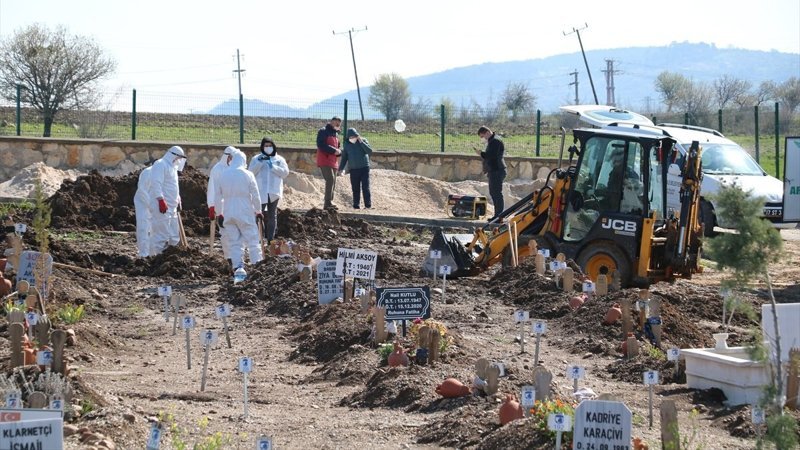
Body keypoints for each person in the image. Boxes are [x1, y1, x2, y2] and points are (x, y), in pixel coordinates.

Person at [215, 150, 263, 270]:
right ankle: (256, 266)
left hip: (228, 212)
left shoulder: (223, 175)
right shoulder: (247, 174)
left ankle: (237, 268)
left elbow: (218, 196)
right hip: (245, 211)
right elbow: (256, 195)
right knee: (252, 241)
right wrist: (258, 211)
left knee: (234, 243)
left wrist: (219, 213)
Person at [249, 137, 290, 243]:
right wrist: (260, 163)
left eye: (270, 145)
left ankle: (270, 239)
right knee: (258, 214)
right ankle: (258, 238)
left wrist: (273, 167)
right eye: (266, 146)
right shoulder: (256, 158)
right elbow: (250, 173)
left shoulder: (279, 159)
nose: (268, 148)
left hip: (273, 191)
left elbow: (285, 173)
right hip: (260, 191)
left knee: (272, 215)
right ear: (262, 147)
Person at [149, 145, 186, 255]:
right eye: (179, 158)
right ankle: (155, 257)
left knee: (174, 236)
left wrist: (178, 199)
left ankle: (171, 258)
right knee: (161, 235)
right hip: (162, 206)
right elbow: (156, 183)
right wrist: (160, 199)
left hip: (172, 206)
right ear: (173, 156)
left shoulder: (173, 168)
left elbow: (173, 185)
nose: (179, 161)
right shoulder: (161, 165)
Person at [207, 146, 237, 263]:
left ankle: (237, 256)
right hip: (222, 207)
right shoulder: (217, 169)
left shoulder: (237, 169)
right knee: (225, 233)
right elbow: (212, 189)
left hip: (235, 205)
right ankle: (229, 257)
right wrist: (212, 206)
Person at [338, 128, 373, 209]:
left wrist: (361, 142)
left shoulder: (363, 140)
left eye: (354, 136)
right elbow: (344, 158)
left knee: (365, 187)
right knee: (355, 188)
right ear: (348, 137)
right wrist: (341, 169)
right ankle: (356, 206)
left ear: (357, 135)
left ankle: (368, 206)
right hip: (353, 170)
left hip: (364, 168)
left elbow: (369, 151)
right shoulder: (347, 145)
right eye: (350, 137)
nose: (352, 138)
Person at [477, 126, 506, 220]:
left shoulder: (495, 141)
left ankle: (499, 216)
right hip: (494, 170)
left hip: (497, 170)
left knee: (496, 193)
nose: (483, 139)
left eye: (483, 136)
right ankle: (497, 215)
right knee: (494, 193)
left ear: (487, 132)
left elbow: (491, 156)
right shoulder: (493, 141)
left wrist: (481, 153)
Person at [316, 116, 342, 209]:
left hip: (333, 160)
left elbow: (338, 146)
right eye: (336, 122)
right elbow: (321, 144)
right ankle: (327, 203)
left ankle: (330, 202)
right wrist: (334, 150)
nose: (338, 124)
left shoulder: (336, 134)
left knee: (333, 180)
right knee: (330, 178)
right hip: (324, 159)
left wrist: (339, 152)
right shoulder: (323, 131)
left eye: (339, 123)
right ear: (331, 122)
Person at [133, 164, 154, 257]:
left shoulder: (163, 173)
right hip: (143, 204)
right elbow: (142, 191)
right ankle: (144, 253)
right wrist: (151, 205)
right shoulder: (148, 172)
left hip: (154, 205)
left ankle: (153, 252)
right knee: (144, 227)